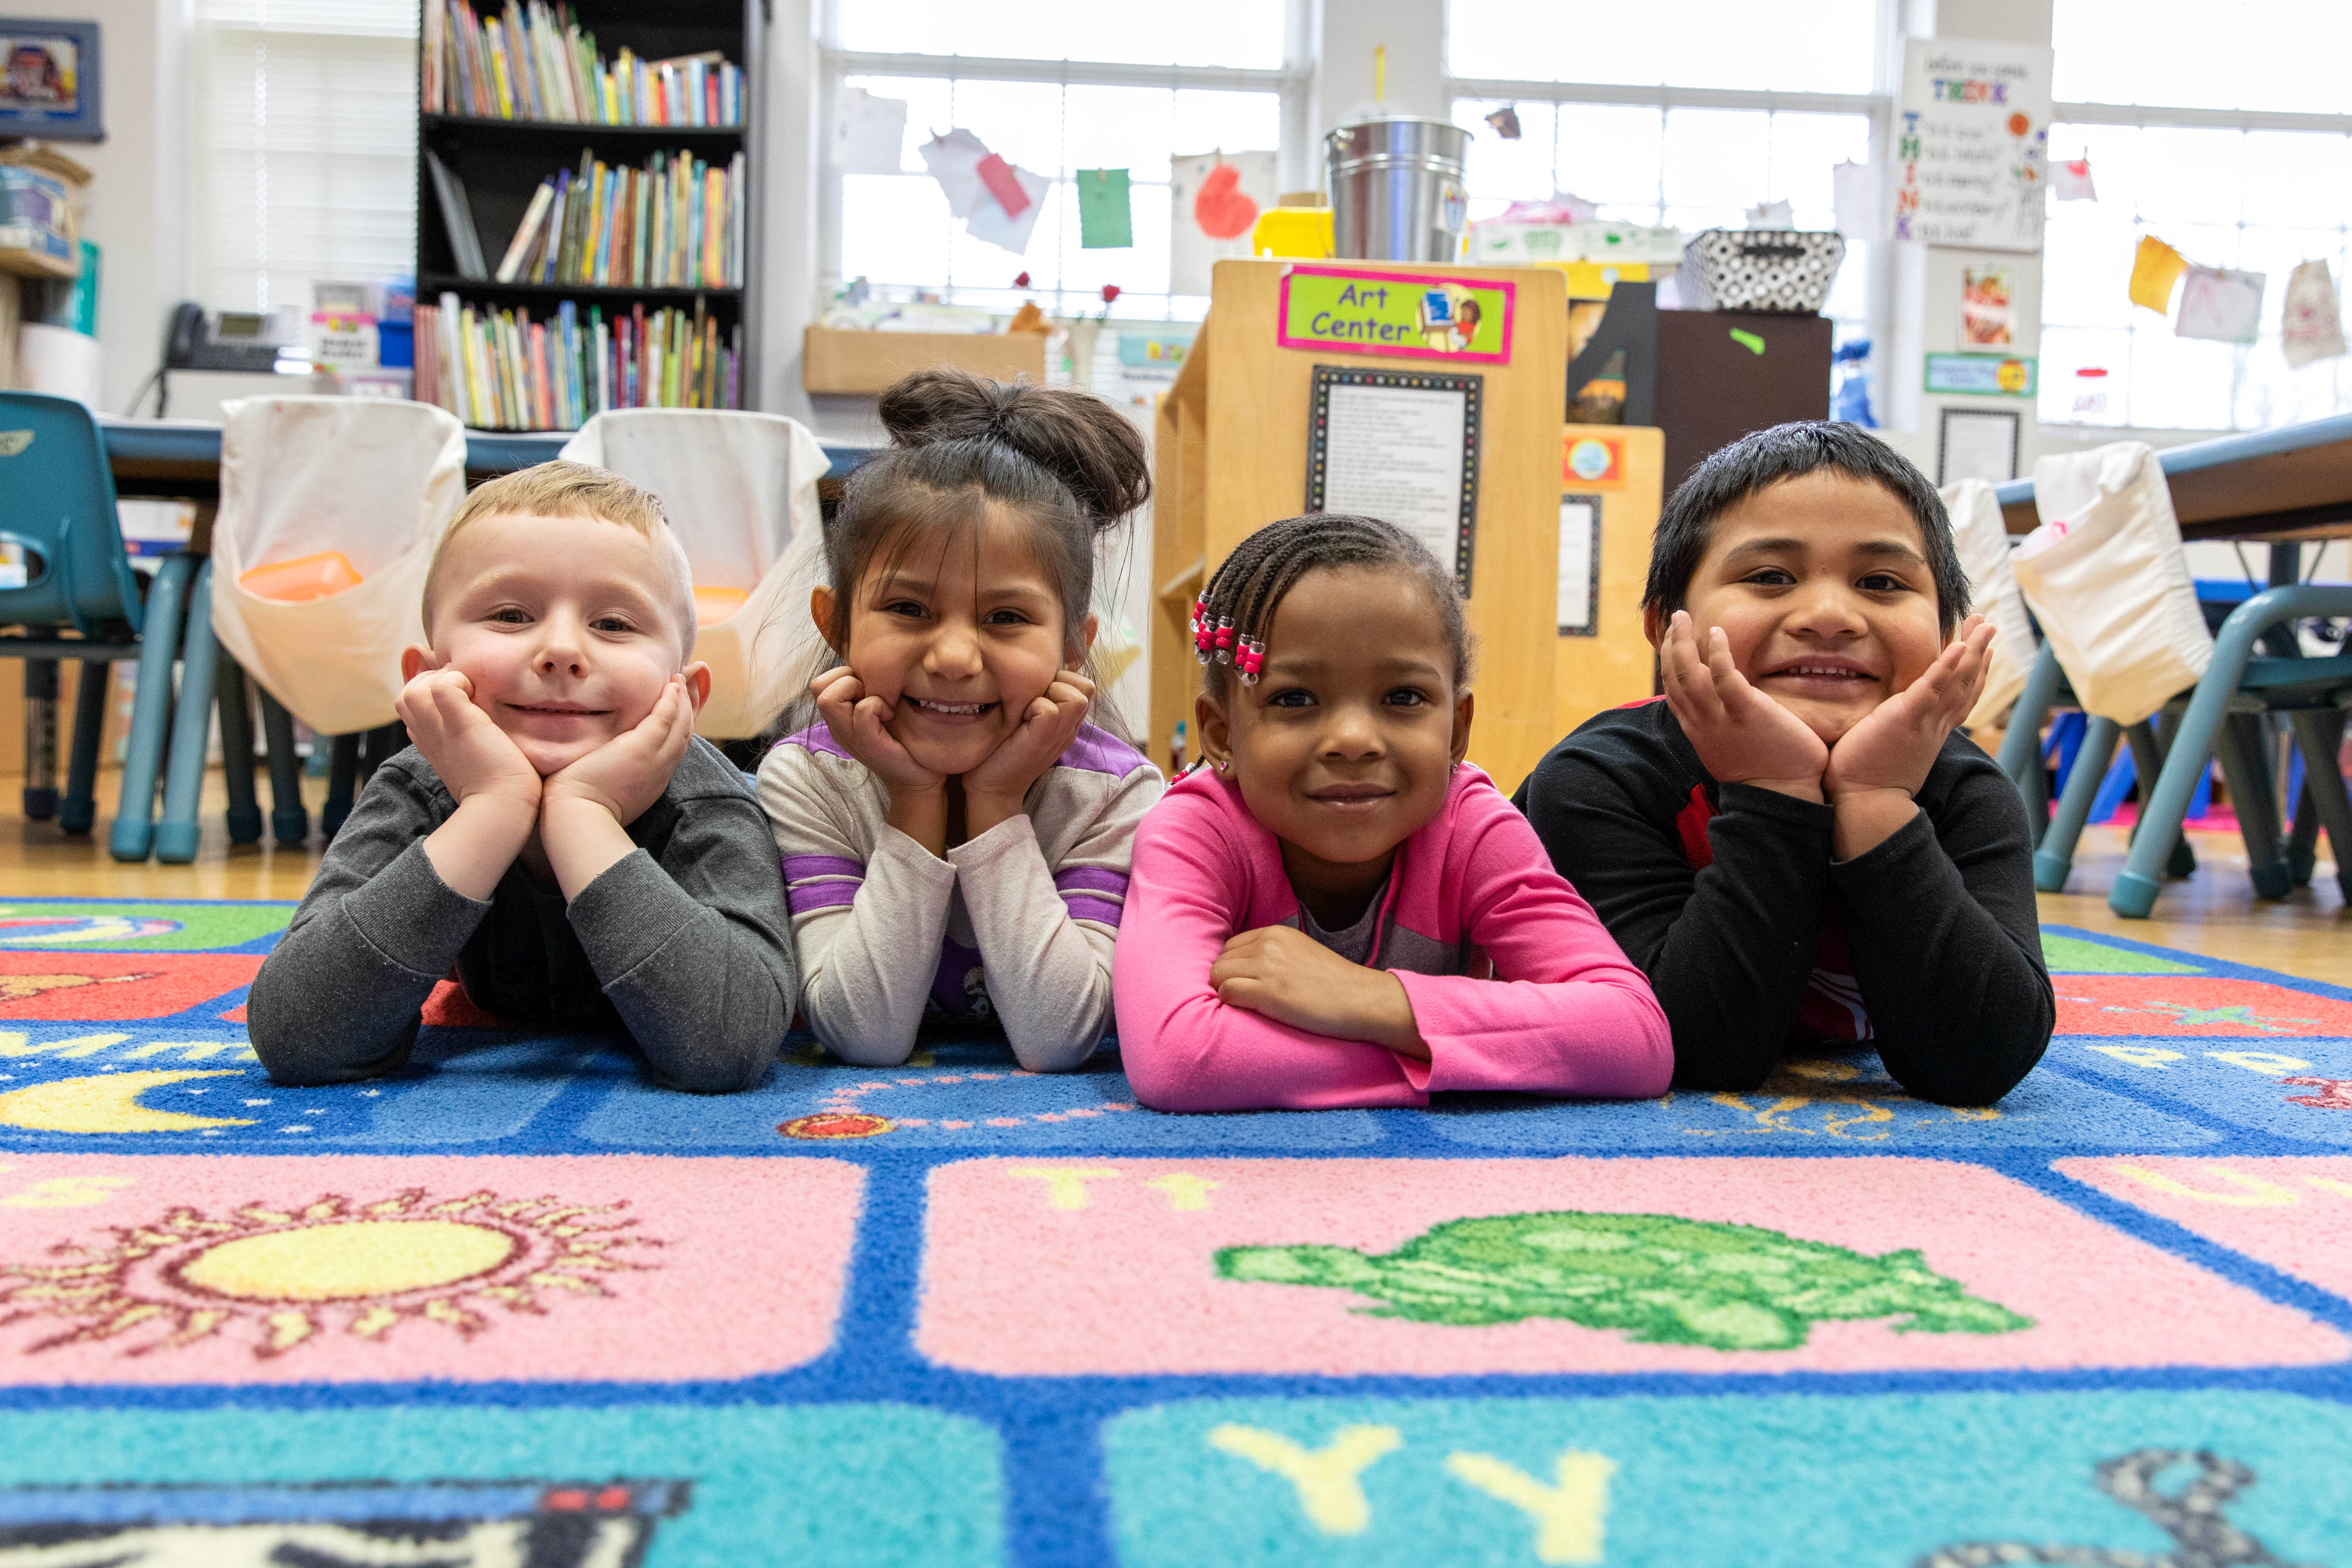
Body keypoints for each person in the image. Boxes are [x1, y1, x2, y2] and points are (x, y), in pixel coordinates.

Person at [1513, 421, 2053, 1106]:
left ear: (1947, 634)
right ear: (1662, 624)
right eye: (1769, 577)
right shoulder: (1601, 779)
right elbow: (1693, 1049)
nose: (1829, 615)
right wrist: (1773, 789)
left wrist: (1878, 798)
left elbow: (1980, 1062)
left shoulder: (1968, 793)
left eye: (1881, 582)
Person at [248, 461, 797, 1094]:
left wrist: (584, 814)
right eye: (510, 615)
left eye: (614, 624)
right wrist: (492, 808)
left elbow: (729, 1047)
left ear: (687, 695)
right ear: (427, 676)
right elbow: (297, 1037)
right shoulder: (417, 790)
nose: (562, 649)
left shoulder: (708, 805)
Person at [1113, 513, 1672, 1113]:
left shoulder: (1473, 829)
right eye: (1293, 698)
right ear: (1221, 735)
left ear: (1457, 730)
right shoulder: (1194, 831)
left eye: (1402, 697)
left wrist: (1371, 1000)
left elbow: (1634, 1034)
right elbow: (1179, 1059)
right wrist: (1458, 1059)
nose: (1353, 739)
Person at [758, 370, 1161, 1071]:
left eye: (1005, 618)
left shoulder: (1115, 795)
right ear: (837, 622)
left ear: (1073, 646)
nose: (951, 657)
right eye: (908, 610)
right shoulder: (808, 778)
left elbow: (1060, 1037)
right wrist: (913, 801)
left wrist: (997, 802)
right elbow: (862, 1035)